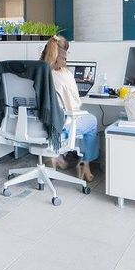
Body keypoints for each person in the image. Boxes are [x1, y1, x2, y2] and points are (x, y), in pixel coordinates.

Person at [40, 35, 98, 181]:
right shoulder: (64, 74)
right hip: (60, 127)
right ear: (61, 55)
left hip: (37, 126)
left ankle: (55, 157)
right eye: (66, 54)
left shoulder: (36, 71)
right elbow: (75, 105)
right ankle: (85, 164)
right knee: (92, 120)